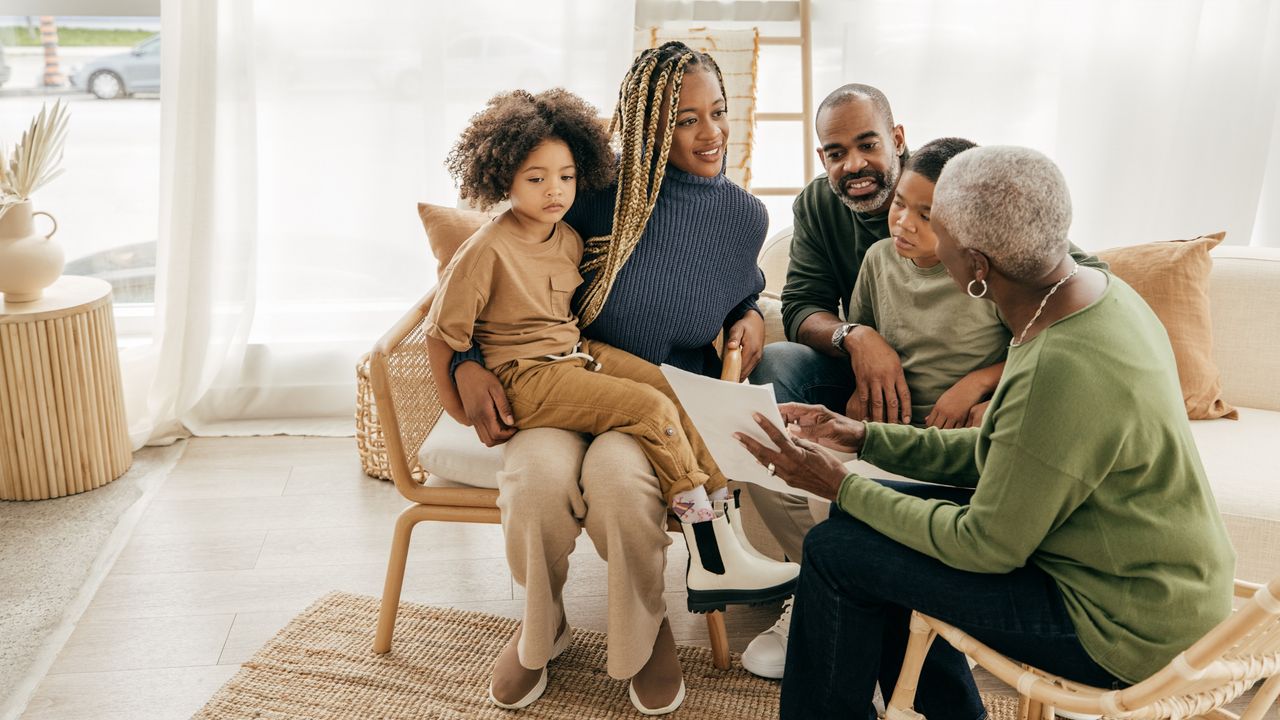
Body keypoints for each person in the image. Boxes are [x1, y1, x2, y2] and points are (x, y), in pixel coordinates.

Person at [736, 145, 1236, 719]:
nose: (924, 237)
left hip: (1121, 625)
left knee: (835, 547)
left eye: (936, 226)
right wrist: (863, 439)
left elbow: (984, 545)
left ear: (977, 266)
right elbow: (1010, 450)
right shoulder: (1093, 298)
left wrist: (839, 484)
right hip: (1153, 582)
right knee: (858, 526)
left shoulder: (1060, 362)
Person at [426, 92, 797, 707]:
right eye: (684, 117)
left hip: (596, 371)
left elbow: (735, 285)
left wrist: (750, 310)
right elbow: (463, 315)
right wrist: (465, 372)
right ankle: (540, 631)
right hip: (542, 390)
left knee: (631, 473)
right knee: (538, 487)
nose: (710, 132)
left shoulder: (739, 215)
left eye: (718, 111)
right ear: (649, 123)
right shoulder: (596, 193)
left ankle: (655, 620)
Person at [740, 85, 1104, 679]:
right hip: (885, 387)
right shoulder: (860, 241)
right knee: (775, 372)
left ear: (898, 141)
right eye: (834, 152)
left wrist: (986, 384)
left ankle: (882, 597)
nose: (852, 164)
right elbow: (804, 303)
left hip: (965, 408)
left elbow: (1073, 287)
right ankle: (819, 582)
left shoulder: (971, 199)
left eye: (867, 144)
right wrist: (860, 343)